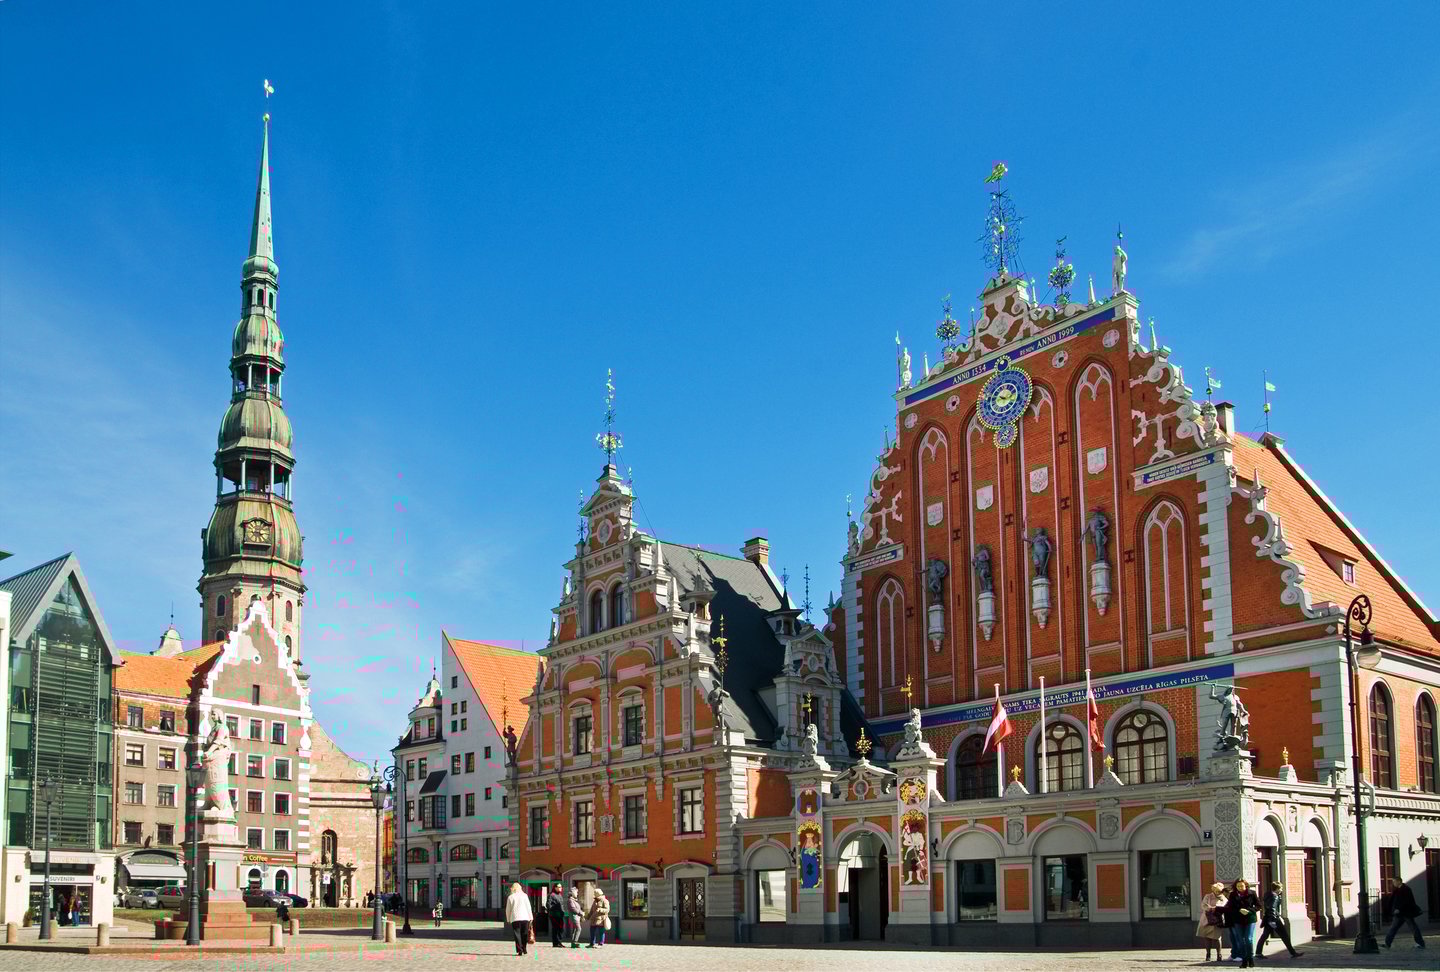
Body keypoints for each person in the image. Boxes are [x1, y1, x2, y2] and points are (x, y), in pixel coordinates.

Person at [1255, 880, 1302, 959]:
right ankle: (1293, 953)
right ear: (1277, 888)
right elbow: (1272, 908)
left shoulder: (1268, 894)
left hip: (1267, 918)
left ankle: (1258, 953)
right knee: (1284, 936)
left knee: (1264, 936)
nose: (1281, 890)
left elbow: (1268, 907)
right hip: (1274, 919)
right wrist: (1273, 920)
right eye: (1281, 888)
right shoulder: (1274, 896)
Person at [1224, 879, 1261, 968]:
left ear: (1246, 885)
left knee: (1248, 939)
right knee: (1241, 940)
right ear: (1236, 887)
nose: (1240, 888)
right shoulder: (1233, 894)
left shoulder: (1252, 893)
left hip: (1250, 919)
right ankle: (1244, 960)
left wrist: (1249, 910)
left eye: (1242, 886)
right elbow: (1230, 907)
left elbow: (1259, 906)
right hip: (1238, 920)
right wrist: (1239, 910)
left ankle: (1250, 958)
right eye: (1238, 886)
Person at [1383, 878, 1426, 950]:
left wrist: (1399, 909)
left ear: (1399, 881)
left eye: (1394, 882)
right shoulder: (1397, 890)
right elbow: (1393, 901)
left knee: (1413, 928)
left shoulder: (1406, 889)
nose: (1393, 883)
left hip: (1406, 913)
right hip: (1399, 914)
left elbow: (1406, 901)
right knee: (1393, 928)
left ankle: (1420, 943)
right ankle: (1387, 943)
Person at [1197, 881, 1227, 961]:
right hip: (1207, 919)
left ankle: (1219, 954)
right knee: (1207, 937)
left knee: (1217, 938)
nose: (1217, 892)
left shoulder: (1223, 898)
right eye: (1215, 890)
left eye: (1219, 891)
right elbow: (1203, 905)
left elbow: (1224, 907)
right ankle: (1208, 954)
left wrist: (1215, 908)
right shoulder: (1208, 896)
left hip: (1217, 920)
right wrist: (1211, 908)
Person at [504, 882, 533, 956]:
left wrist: (508, 919)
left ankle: (519, 950)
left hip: (515, 918)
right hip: (525, 918)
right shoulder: (525, 896)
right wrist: (531, 917)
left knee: (517, 935)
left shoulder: (511, 897)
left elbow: (508, 909)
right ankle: (524, 949)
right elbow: (528, 907)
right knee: (525, 934)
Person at [546, 883, 566, 947]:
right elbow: (548, 905)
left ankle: (559, 942)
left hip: (560, 914)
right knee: (555, 929)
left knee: (561, 929)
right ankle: (556, 943)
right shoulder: (551, 895)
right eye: (559, 887)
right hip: (554, 915)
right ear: (555, 887)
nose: (561, 888)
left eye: (561, 887)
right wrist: (555, 908)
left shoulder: (560, 895)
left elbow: (562, 905)